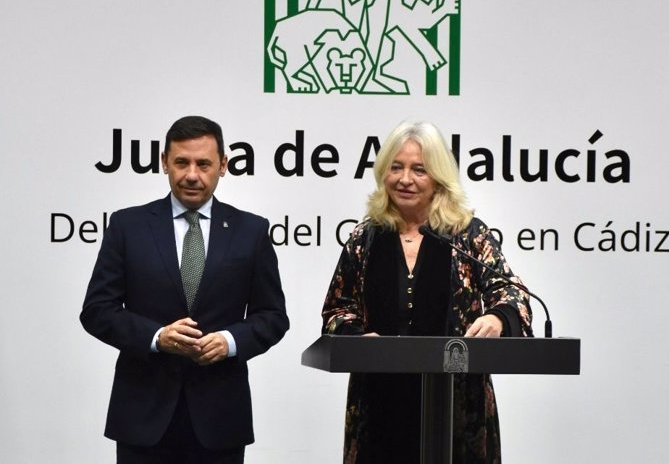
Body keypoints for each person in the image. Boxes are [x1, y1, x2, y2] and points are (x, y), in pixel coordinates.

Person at [321, 120, 533, 464]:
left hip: (457, 403)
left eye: (419, 169)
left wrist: (497, 317)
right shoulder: (365, 237)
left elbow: (513, 294)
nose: (405, 179)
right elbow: (336, 311)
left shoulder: (466, 234)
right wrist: (357, 337)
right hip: (380, 403)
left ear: (438, 177)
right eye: (396, 167)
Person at [81, 115, 289, 464]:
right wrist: (156, 337)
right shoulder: (127, 226)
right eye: (181, 162)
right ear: (164, 162)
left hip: (220, 420)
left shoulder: (250, 232)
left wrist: (230, 341)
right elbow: (97, 310)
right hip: (142, 419)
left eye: (204, 163)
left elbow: (273, 317)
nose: (192, 174)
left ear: (223, 165)